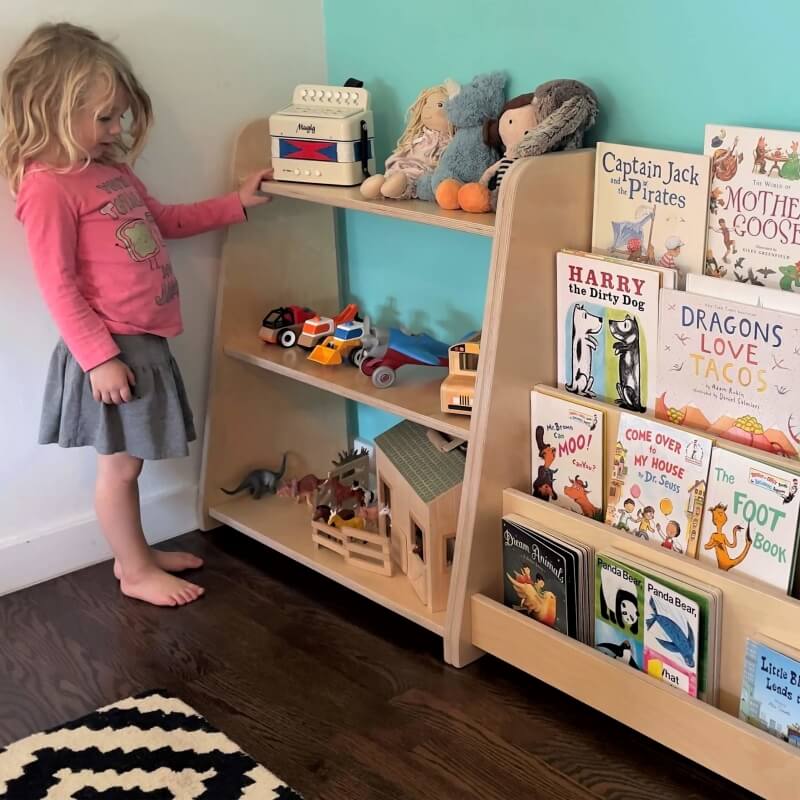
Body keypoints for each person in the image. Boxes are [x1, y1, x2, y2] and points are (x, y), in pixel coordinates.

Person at [1, 22, 273, 607]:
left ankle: (139, 554)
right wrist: (99, 359)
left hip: (142, 342)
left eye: (119, 116)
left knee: (131, 467)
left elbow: (164, 222)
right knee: (120, 471)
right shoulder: (48, 187)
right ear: (51, 109)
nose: (117, 129)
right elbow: (57, 284)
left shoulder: (111, 171)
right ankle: (132, 568)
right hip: (110, 348)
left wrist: (236, 204)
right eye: (104, 118)